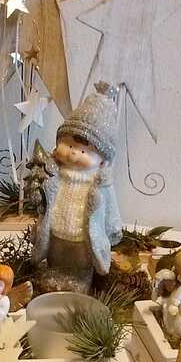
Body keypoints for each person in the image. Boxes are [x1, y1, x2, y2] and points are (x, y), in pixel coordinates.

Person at [32, 82, 122, 292]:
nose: (73, 153)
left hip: (84, 238)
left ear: (102, 160)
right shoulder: (54, 176)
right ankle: (54, 273)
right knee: (55, 256)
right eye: (69, 145)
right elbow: (44, 200)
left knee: (81, 260)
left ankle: (80, 278)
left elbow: (111, 208)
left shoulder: (101, 185)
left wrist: (113, 228)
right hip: (56, 232)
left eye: (84, 151)